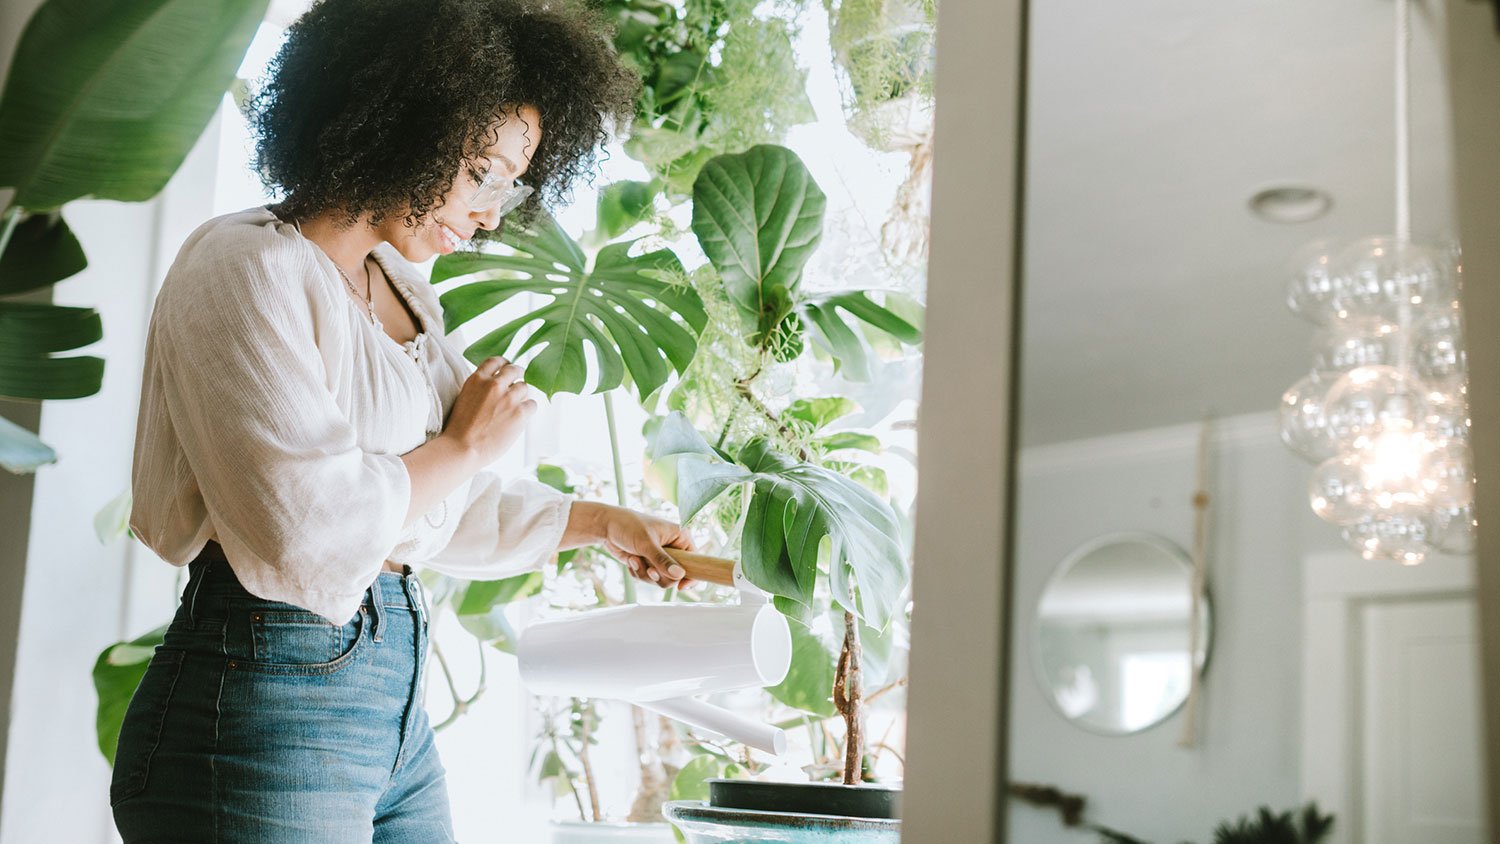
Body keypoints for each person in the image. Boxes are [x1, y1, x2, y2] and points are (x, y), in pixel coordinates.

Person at [111, 1, 687, 840]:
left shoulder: (404, 292)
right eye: (483, 171)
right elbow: (305, 529)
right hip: (264, 695)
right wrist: (460, 444)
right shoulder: (242, 266)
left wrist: (601, 524)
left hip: (392, 703)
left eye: (513, 183)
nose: (493, 211)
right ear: (405, 118)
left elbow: (432, 504)